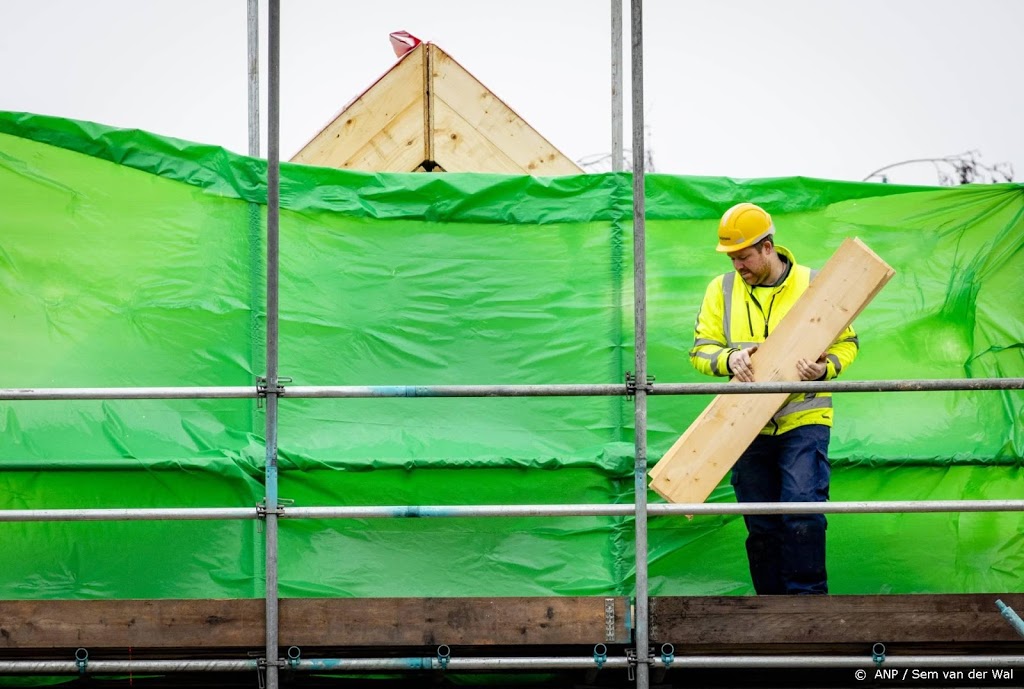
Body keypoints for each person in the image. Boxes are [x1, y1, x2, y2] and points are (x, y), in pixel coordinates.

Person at [689, 202, 859, 595]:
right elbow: (701, 350)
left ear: (768, 247)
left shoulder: (814, 285)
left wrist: (825, 368)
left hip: (803, 420)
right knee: (761, 522)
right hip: (746, 424)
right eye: (732, 258)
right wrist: (729, 358)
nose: (738, 266)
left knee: (802, 513)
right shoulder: (722, 289)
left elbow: (846, 343)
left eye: (744, 256)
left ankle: (807, 613)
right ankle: (770, 615)